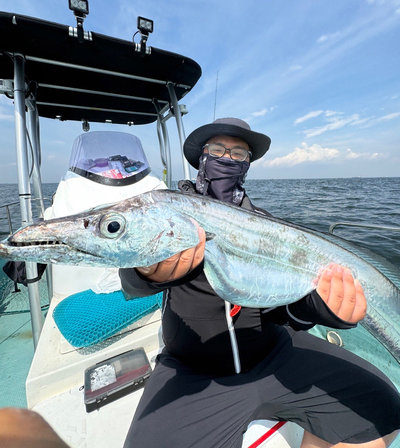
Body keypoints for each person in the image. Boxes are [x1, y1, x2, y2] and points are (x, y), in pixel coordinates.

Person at [120, 118, 400, 448]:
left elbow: (286, 310)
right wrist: (146, 273)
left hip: (273, 351)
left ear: (248, 164)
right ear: (202, 158)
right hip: (192, 367)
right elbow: (133, 279)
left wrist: (326, 310)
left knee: (383, 410)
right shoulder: (170, 215)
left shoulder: (268, 225)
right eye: (218, 150)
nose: (228, 158)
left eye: (239, 153)